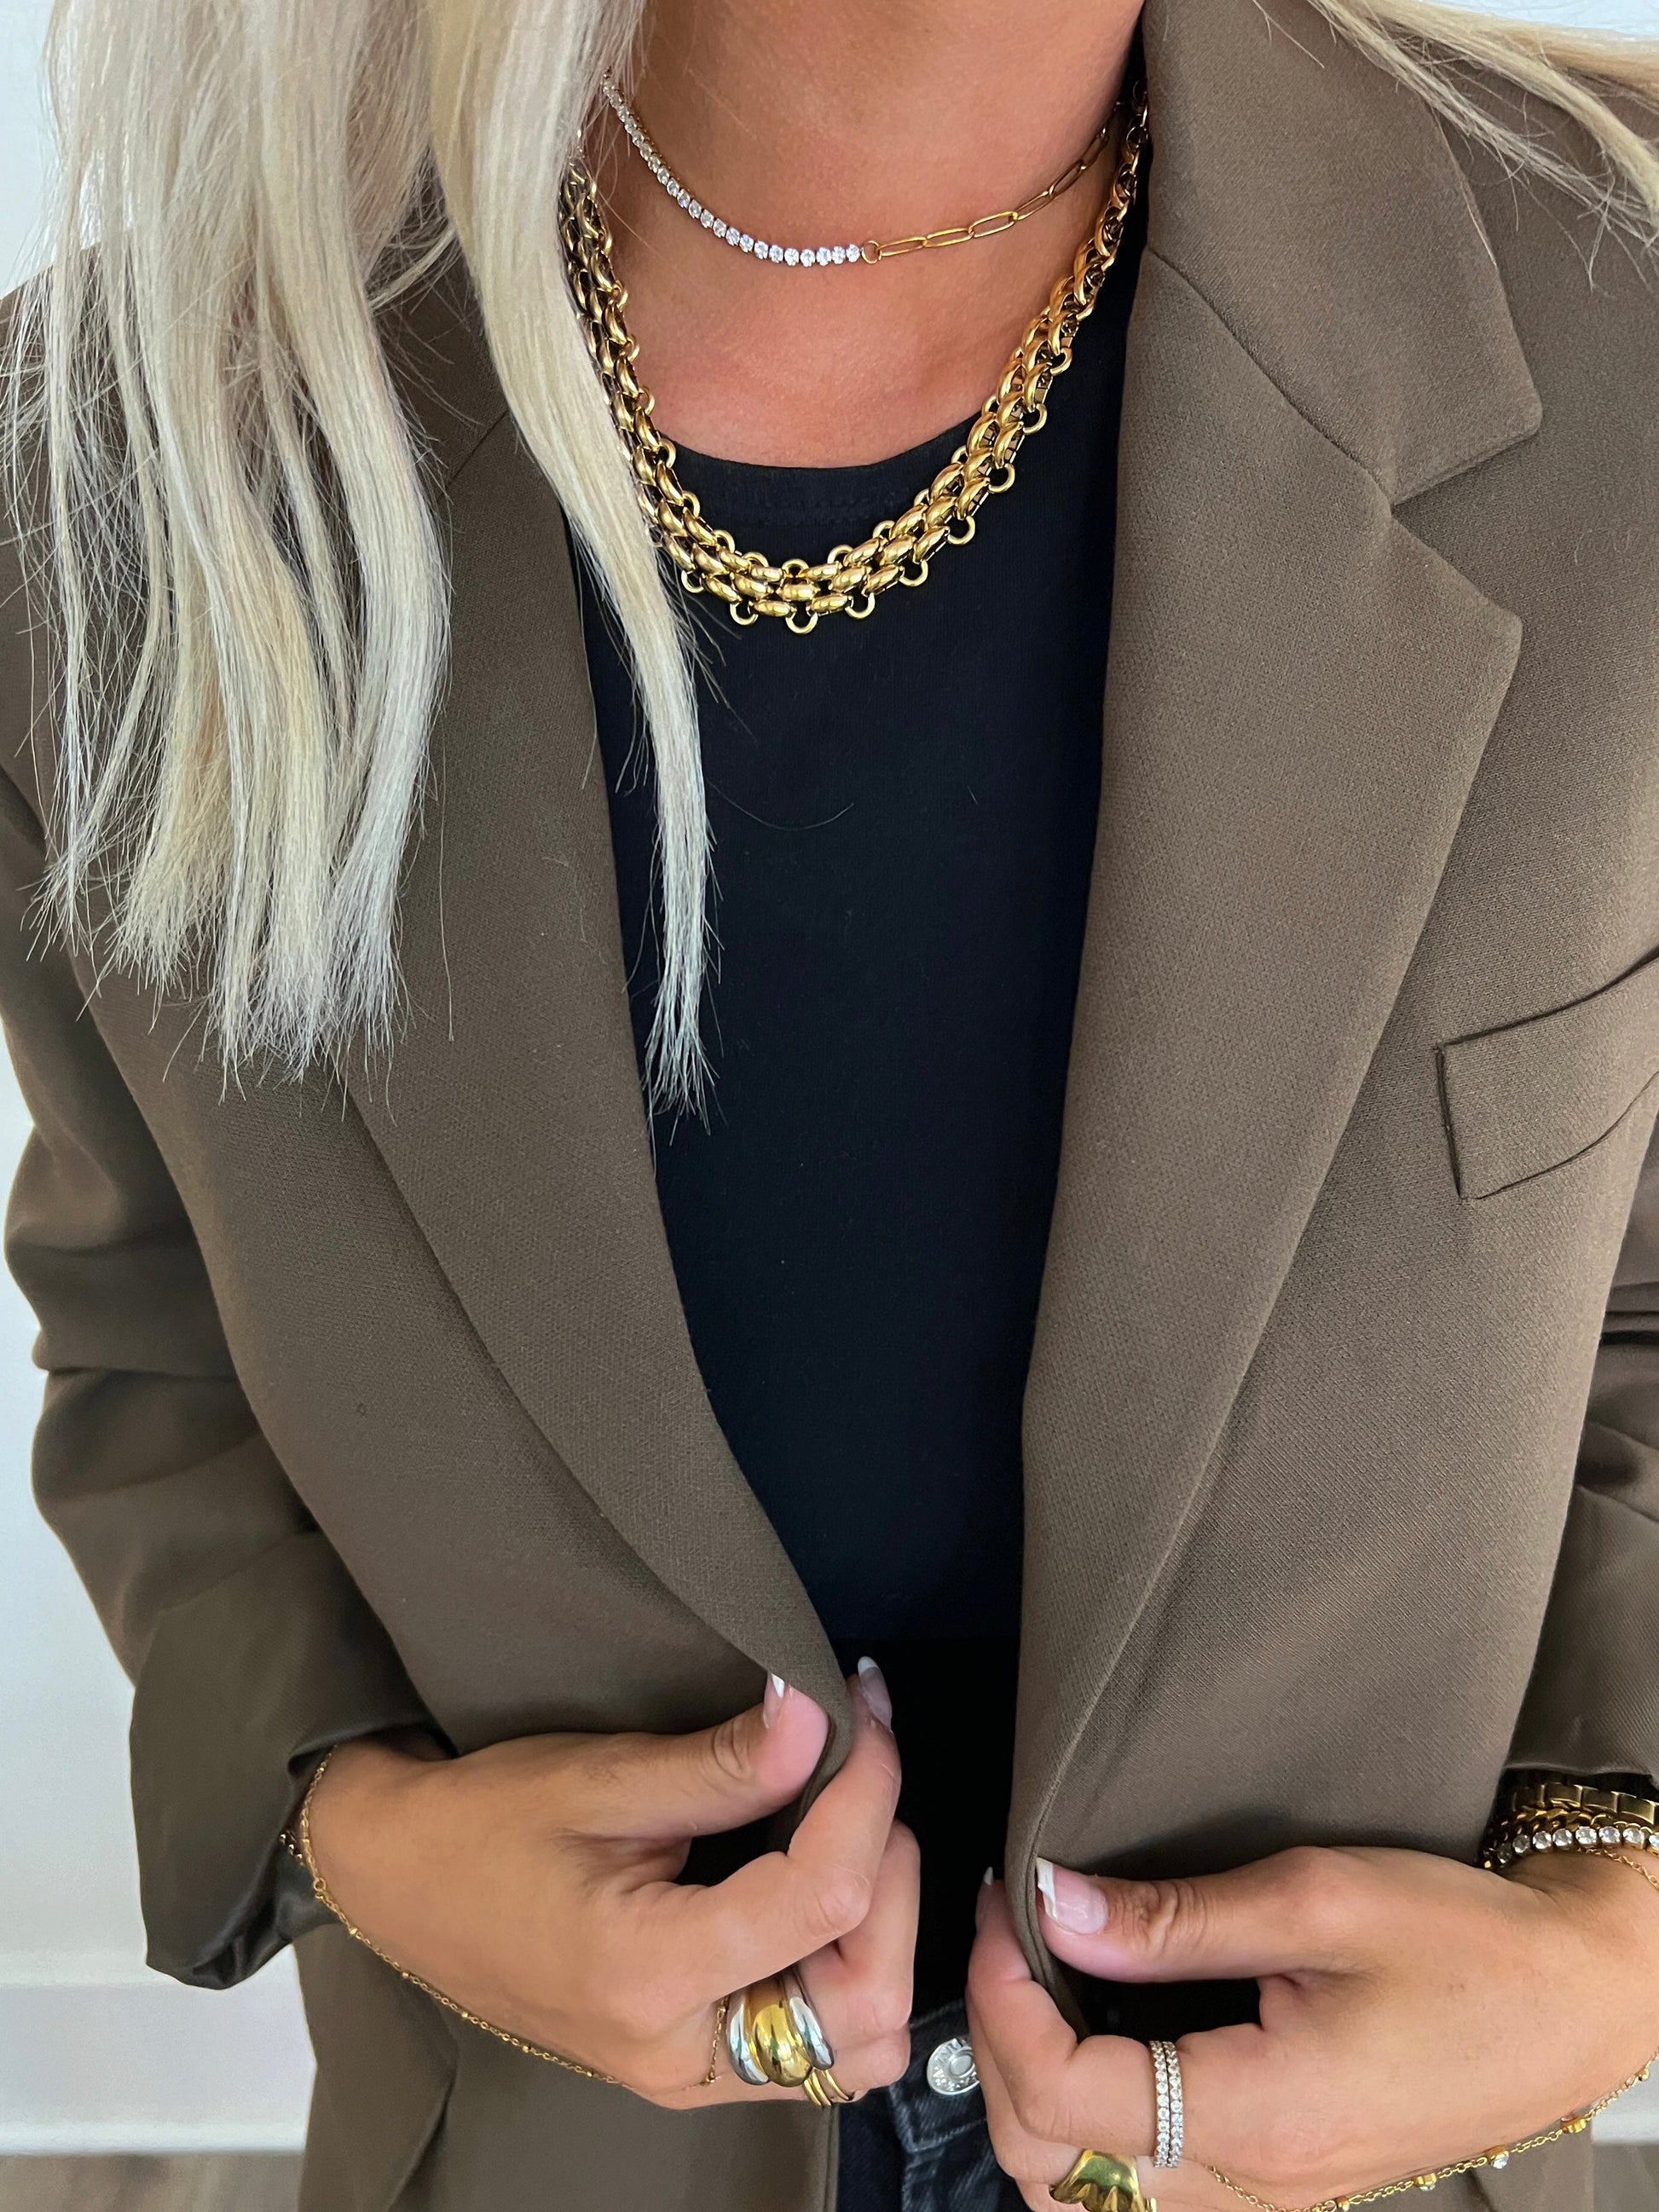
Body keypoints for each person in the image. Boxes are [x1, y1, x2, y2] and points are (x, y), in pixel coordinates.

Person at [3, 0, 1659, 2206]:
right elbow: (158, 1332)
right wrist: (362, 1830)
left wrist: (1621, 1928)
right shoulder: (105, 478)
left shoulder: (1616, 311)